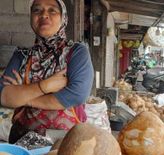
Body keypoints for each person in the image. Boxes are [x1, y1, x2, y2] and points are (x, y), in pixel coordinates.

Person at [0, 0, 94, 143]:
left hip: (65, 142)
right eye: (37, 10)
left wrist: (24, 98)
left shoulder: (76, 52)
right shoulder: (22, 56)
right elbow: (4, 97)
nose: (44, 15)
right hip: (22, 139)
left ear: (63, 18)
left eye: (52, 11)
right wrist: (45, 86)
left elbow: (76, 95)